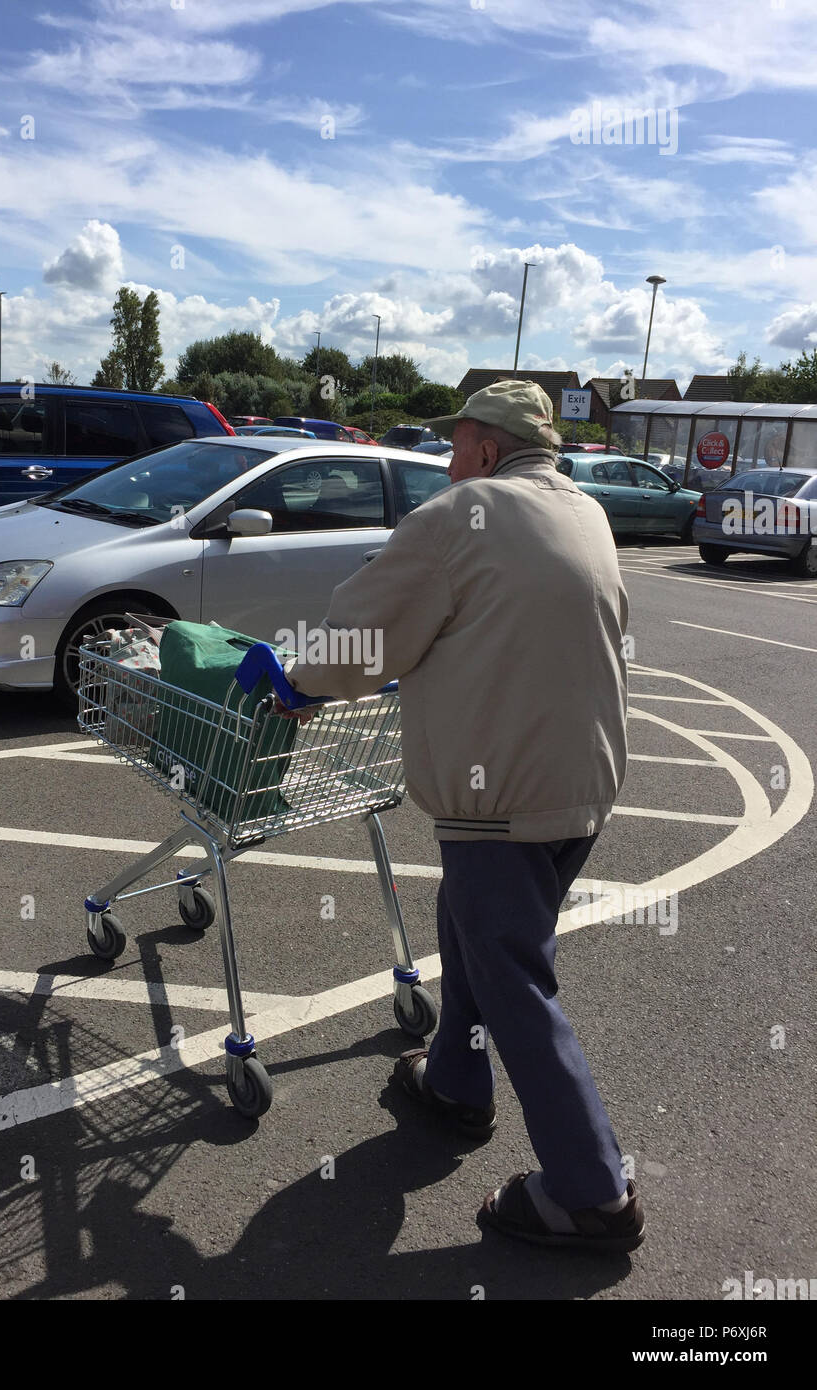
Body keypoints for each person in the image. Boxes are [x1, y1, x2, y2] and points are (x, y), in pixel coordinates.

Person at [282, 380, 644, 1252]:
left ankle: (592, 1194)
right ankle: (453, 1079)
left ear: (485, 449)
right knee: (475, 930)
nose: (447, 462)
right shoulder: (583, 512)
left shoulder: (463, 514)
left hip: (501, 798)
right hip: (578, 787)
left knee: (514, 977)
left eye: (456, 446)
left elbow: (364, 637)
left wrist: (295, 682)